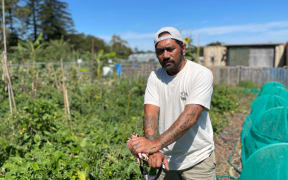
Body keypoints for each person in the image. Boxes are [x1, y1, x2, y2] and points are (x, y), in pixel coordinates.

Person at [128, 27, 216, 180]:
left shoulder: (200, 74)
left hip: (197, 159)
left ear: (182, 48)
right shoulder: (155, 77)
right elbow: (151, 114)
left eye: (170, 49)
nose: (165, 55)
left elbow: (191, 116)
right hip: (165, 158)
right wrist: (152, 150)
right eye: (160, 51)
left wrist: (155, 144)